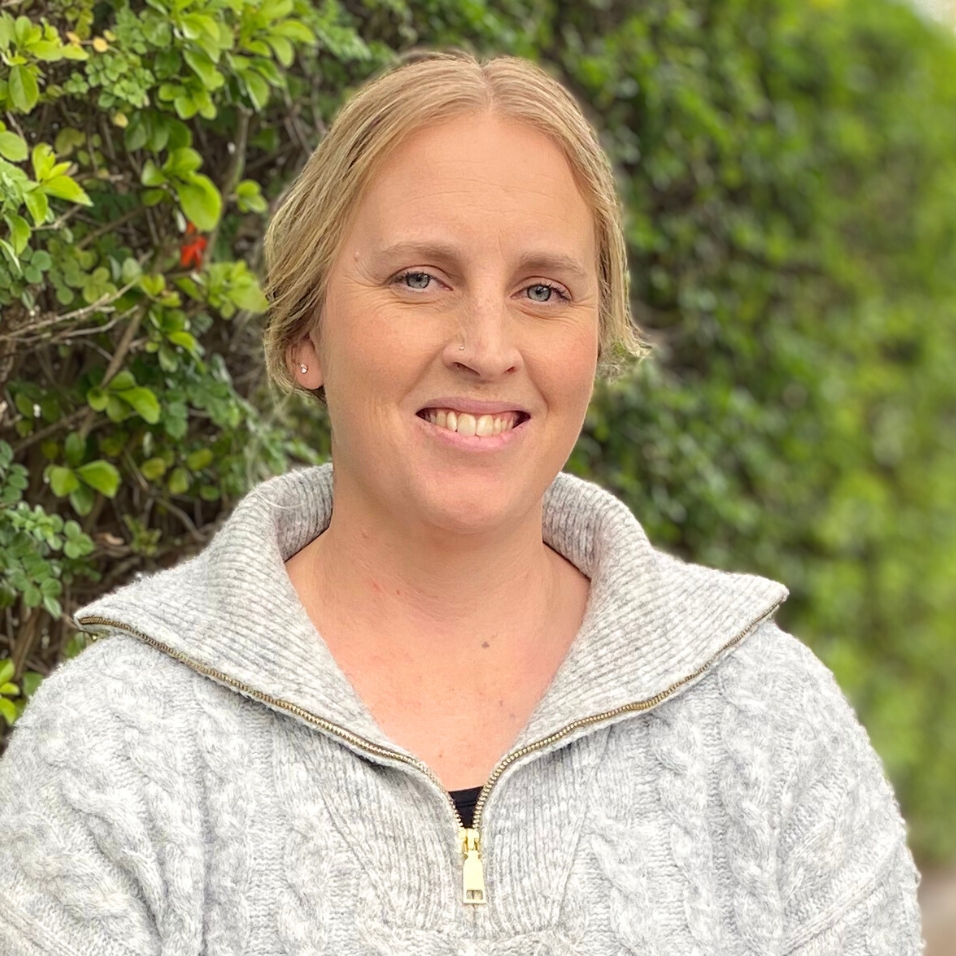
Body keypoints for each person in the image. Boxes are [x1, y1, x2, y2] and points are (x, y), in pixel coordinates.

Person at [0, 48, 923, 955]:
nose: (487, 346)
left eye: (543, 290)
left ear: (597, 342)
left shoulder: (767, 726)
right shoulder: (118, 751)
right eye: (419, 278)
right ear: (304, 334)